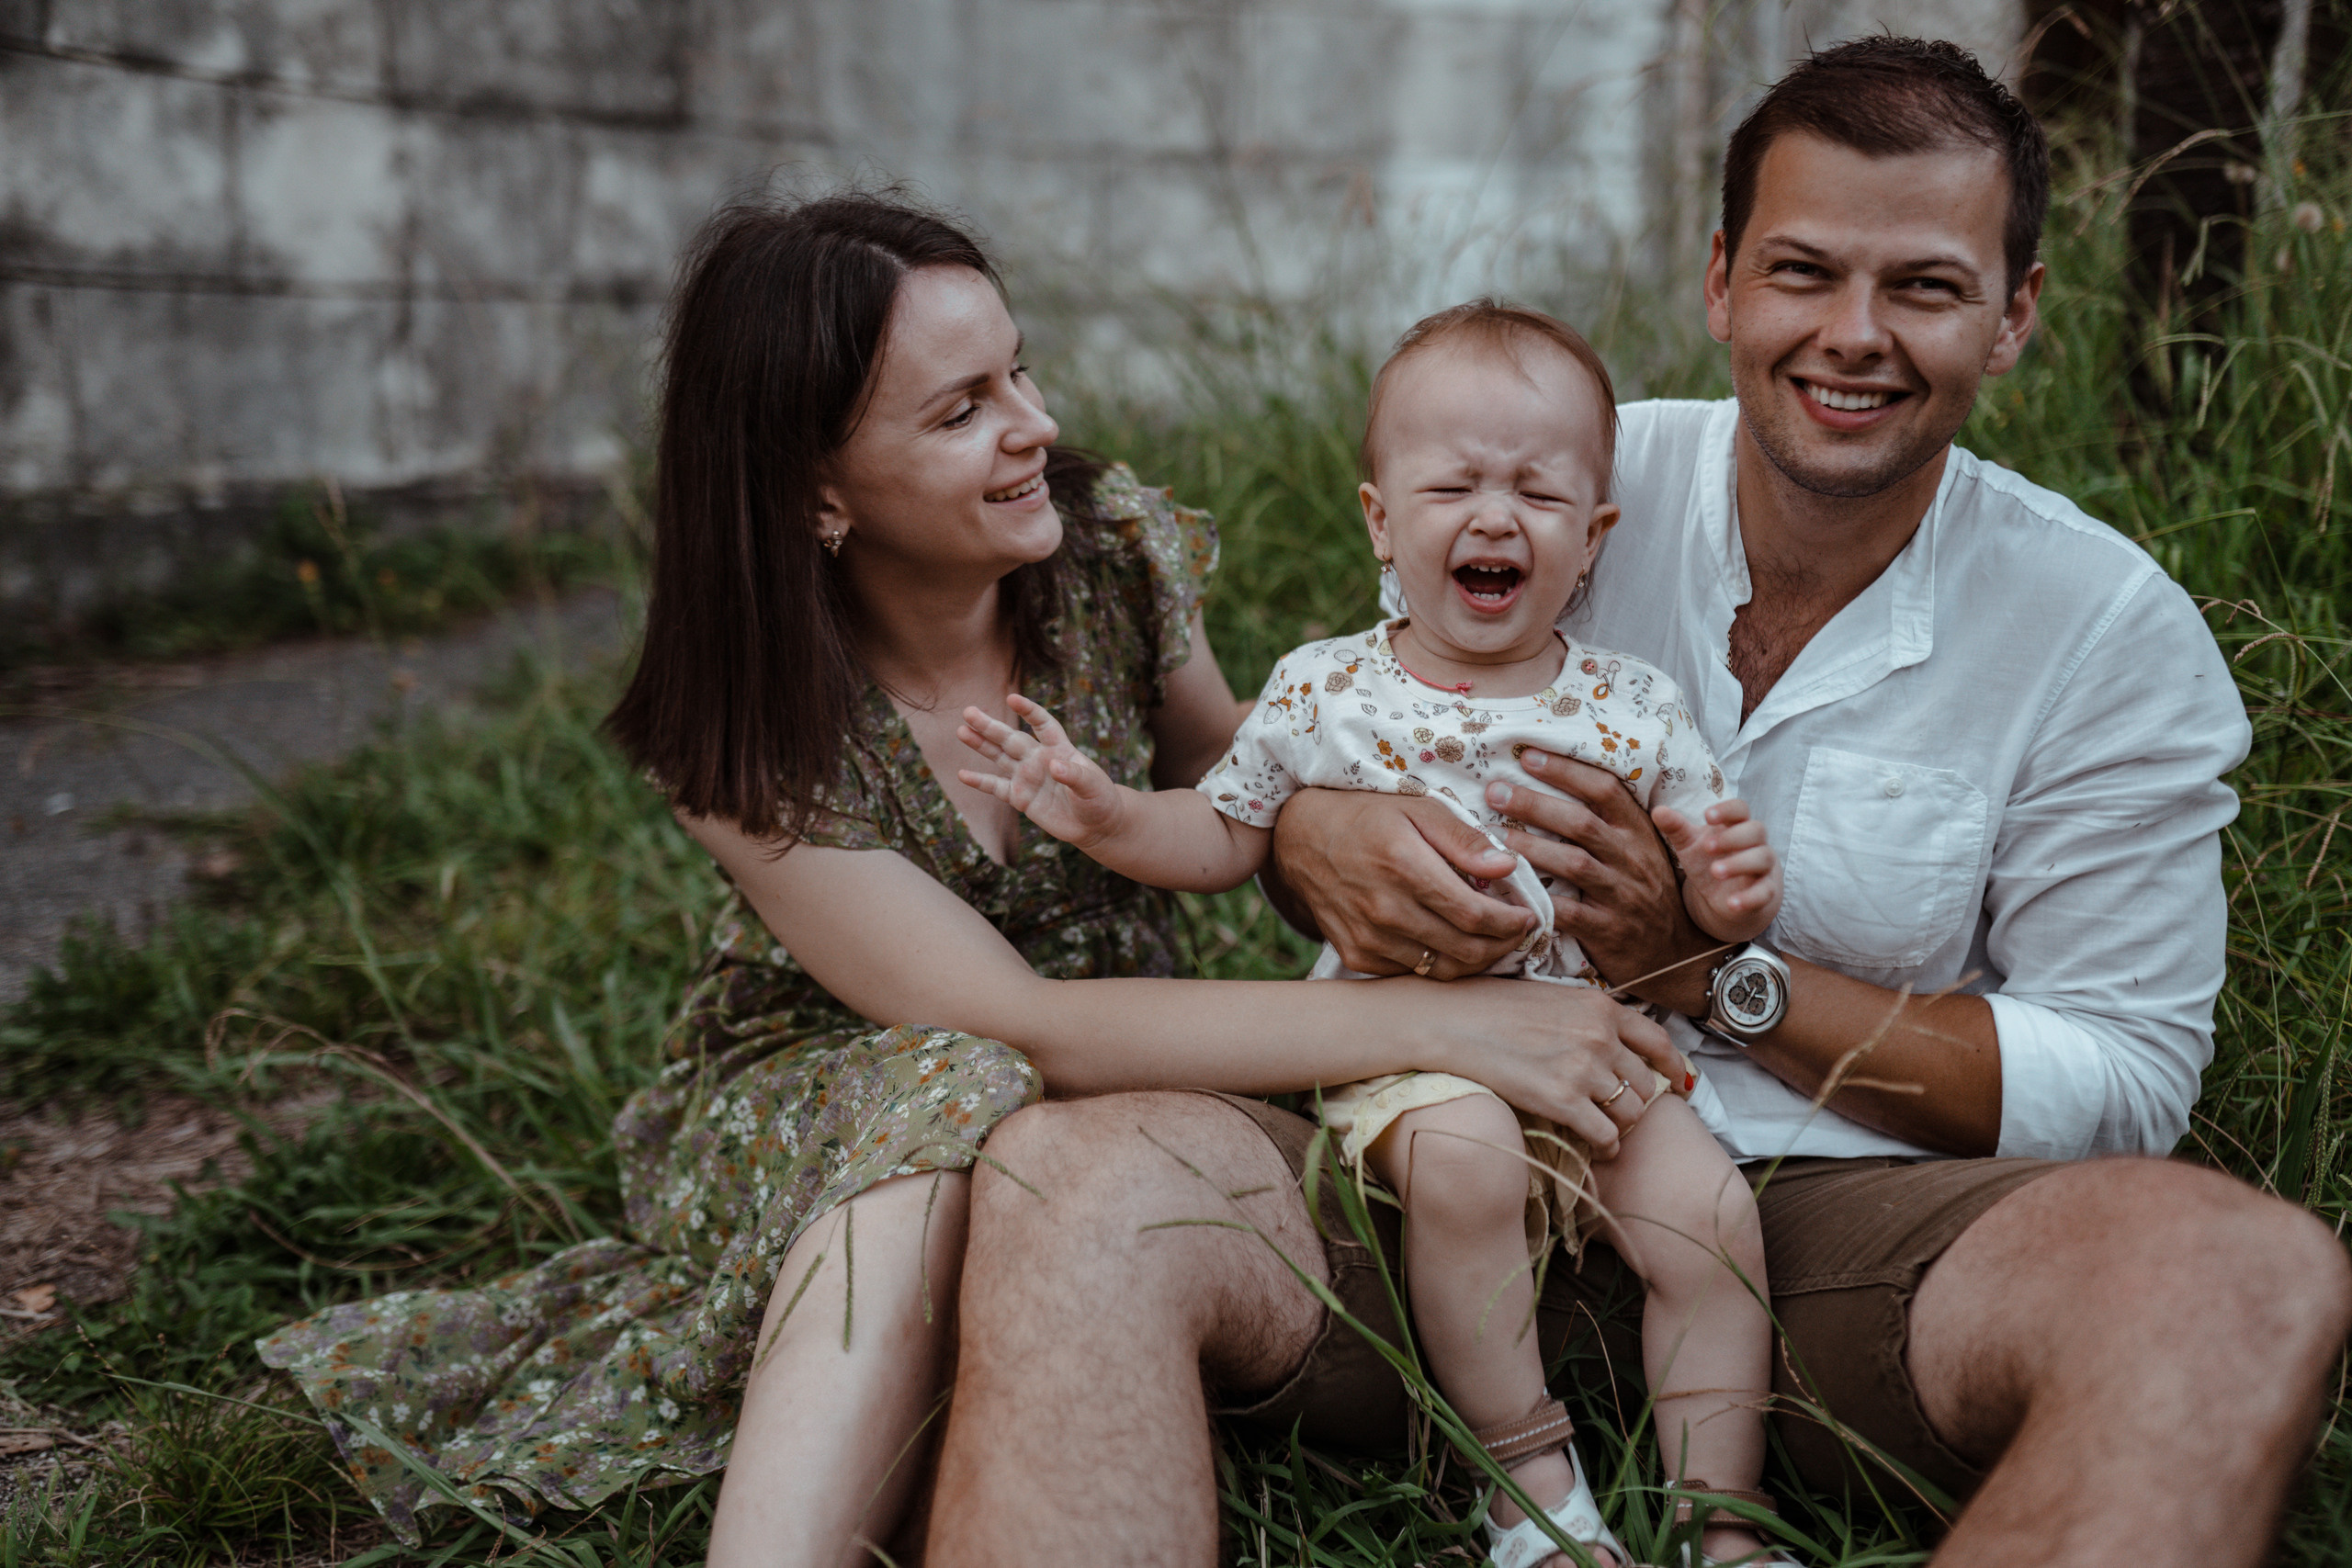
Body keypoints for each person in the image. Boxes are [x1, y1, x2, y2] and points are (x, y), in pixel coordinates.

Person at [928, 38, 2352, 1568]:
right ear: (1723, 277)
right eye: (1805, 271)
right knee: (1063, 1176)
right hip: (1425, 1178)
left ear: (2016, 317)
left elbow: (2127, 1076)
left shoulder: (2103, 633)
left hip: (1822, 1240)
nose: (1854, 337)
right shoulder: (1549, 464)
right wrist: (1313, 839)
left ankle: (1709, 1513)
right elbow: (1326, 765)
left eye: (1927, 288)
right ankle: (1522, 1479)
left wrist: (1718, 979)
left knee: (2244, 1275)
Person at [255, 190, 1697, 1568]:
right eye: (965, 412)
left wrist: (1332, 835)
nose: (1038, 429)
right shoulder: (744, 735)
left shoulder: (1105, 548)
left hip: (1136, 1052)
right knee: (943, 1111)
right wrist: (1450, 1026)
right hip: (863, 1077)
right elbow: (1021, 1029)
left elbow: (1236, 788)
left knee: (1026, 1150)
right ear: (816, 485)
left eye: (1020, 373)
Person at [956, 299, 1790, 1568]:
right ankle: (1526, 1485)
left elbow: (1698, 901)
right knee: (1465, 1161)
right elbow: (1223, 838)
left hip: (1597, 1038)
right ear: (1381, 521)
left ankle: (1718, 1522)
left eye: (1539, 493)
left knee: (1714, 1215)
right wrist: (1108, 813)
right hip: (1414, 1047)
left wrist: (1731, 894)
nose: (1495, 516)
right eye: (1453, 484)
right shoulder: (1326, 690)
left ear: (1593, 539)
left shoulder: (1634, 704)